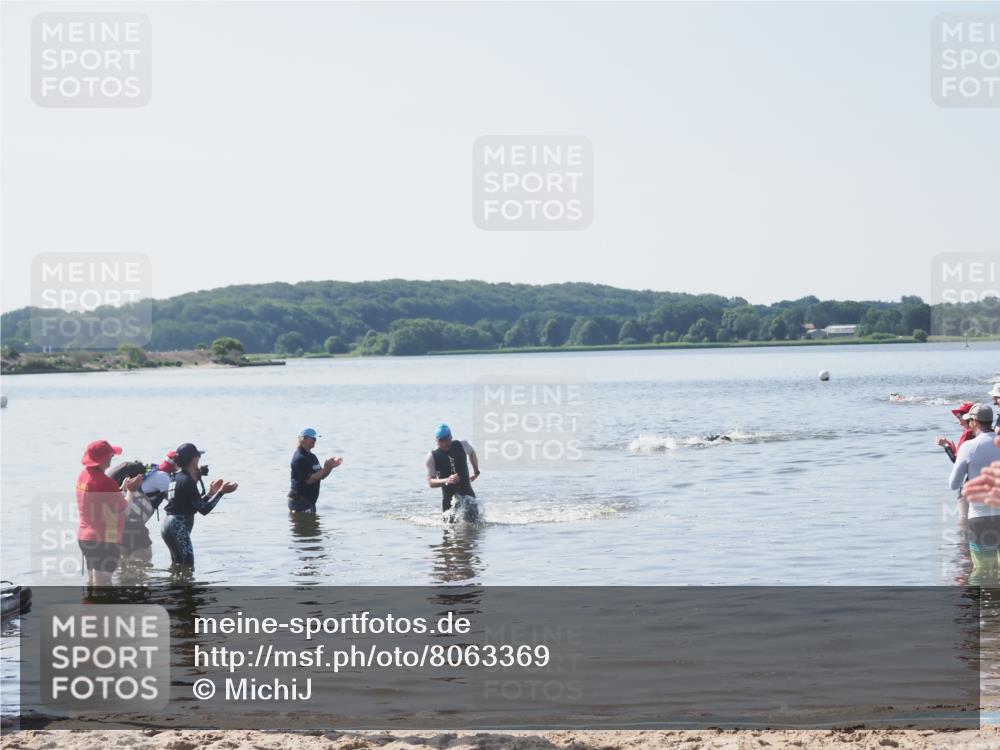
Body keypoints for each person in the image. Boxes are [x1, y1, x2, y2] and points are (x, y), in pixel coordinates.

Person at [76, 440, 145, 586]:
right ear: (105, 459)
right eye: (111, 456)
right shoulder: (106, 483)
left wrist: (118, 491)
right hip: (104, 541)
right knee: (103, 587)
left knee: (93, 584)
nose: (112, 459)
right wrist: (130, 491)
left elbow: (99, 500)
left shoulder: (82, 476)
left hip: (85, 538)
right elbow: (124, 510)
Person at [160, 443, 238, 569]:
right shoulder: (187, 481)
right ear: (193, 459)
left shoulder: (176, 477)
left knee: (178, 566)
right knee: (188, 567)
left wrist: (210, 493)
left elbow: (192, 505)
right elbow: (204, 510)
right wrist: (221, 492)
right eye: (198, 457)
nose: (199, 460)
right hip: (177, 526)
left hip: (168, 525)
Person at [949, 404, 1000, 580]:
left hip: (981, 518)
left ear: (975, 422)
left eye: (969, 420)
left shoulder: (969, 446)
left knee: (983, 572)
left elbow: (954, 484)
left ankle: (986, 598)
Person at [118, 451, 178, 562]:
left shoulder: (154, 473)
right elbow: (178, 501)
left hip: (119, 525)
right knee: (144, 563)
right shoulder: (163, 478)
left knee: (124, 565)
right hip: (133, 525)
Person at [425, 424, 480, 513]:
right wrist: (447, 480)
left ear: (451, 437)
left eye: (446, 439)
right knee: (449, 521)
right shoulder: (432, 457)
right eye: (441, 441)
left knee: (476, 520)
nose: (444, 444)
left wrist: (476, 471)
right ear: (436, 441)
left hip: (468, 495)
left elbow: (472, 453)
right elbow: (431, 482)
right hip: (449, 501)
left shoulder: (462, 444)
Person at [288, 428, 342, 513]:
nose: (315, 440)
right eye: (312, 438)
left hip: (309, 502)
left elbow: (321, 476)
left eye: (315, 438)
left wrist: (330, 467)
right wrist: (325, 468)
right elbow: (309, 480)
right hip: (300, 503)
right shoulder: (299, 458)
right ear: (303, 439)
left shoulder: (312, 457)